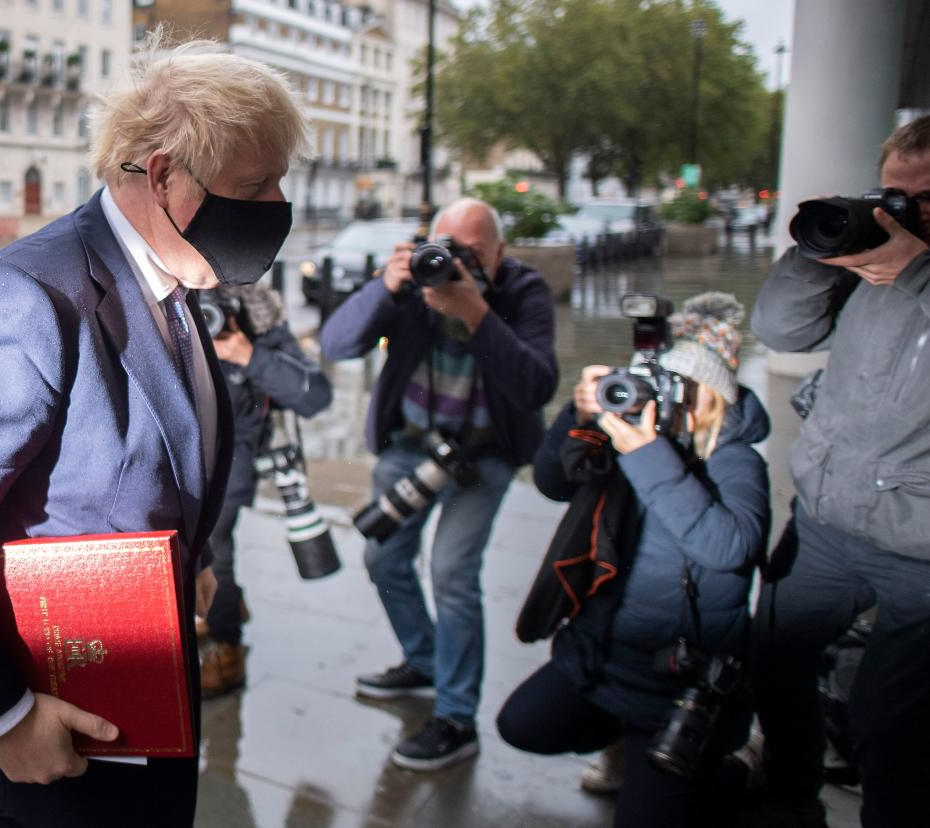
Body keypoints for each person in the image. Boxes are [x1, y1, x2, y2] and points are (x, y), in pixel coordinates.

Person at [0, 38, 308, 826]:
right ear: (162, 174)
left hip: (145, 703)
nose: (274, 206)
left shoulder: (173, 278)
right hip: (55, 746)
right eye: (252, 185)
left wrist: (182, 564)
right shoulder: (27, 299)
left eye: (279, 182)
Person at [498, 293, 771, 828]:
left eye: (683, 391)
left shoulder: (735, 460)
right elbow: (552, 482)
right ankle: (626, 745)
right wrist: (577, 418)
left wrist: (648, 457)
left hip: (682, 684)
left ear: (715, 397)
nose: (667, 402)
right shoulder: (637, 431)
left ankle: (723, 770)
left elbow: (729, 548)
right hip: (605, 654)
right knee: (522, 726)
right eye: (662, 384)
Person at [319, 198, 558, 771]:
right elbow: (335, 345)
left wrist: (476, 312)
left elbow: (536, 387)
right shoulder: (411, 287)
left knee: (452, 571)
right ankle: (426, 660)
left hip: (485, 455)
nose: (456, 262)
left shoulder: (523, 292)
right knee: (383, 558)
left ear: (500, 253)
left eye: (473, 252)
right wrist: (385, 285)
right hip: (411, 447)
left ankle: (455, 717)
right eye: (447, 248)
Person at [748, 114, 930, 828]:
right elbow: (780, 332)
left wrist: (915, 270)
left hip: (921, 552)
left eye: (925, 198)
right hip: (825, 520)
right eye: (894, 194)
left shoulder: (910, 265)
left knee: (892, 726)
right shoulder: (878, 253)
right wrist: (819, 247)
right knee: (773, 662)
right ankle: (791, 801)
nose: (905, 211)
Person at [198, 283, 332, 698]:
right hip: (174, 449)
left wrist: (247, 355)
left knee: (213, 545)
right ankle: (223, 608)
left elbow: (316, 394)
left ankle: (226, 648)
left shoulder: (254, 312)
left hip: (232, 455)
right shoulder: (158, 301)